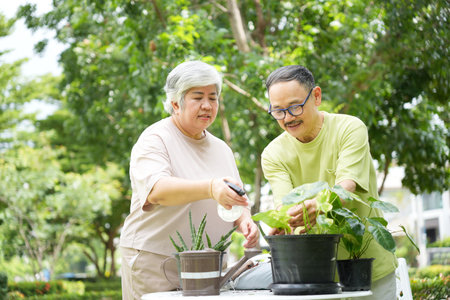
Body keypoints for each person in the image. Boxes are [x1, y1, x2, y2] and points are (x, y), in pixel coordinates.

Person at [119, 61, 259, 300]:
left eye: (213, 98)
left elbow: (235, 197)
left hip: (208, 269)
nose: (207, 105)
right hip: (155, 264)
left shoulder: (222, 148)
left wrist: (245, 221)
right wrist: (210, 188)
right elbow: (157, 190)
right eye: (198, 97)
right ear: (175, 103)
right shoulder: (155, 139)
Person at [261, 65, 398, 299]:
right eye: (278, 111)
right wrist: (284, 221)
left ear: (316, 96)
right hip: (314, 275)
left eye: (295, 107)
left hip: (367, 268)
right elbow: (285, 205)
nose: (288, 118)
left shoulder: (349, 128)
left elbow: (347, 187)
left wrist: (316, 206)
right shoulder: (273, 154)